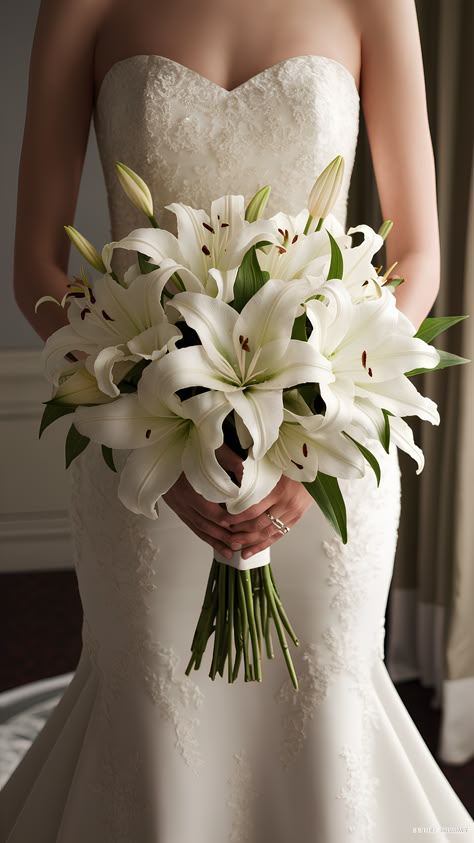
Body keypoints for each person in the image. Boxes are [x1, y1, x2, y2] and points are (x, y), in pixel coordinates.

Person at [1, 0, 473, 840]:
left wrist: (318, 436)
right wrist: (144, 412)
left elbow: (418, 255)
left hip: (327, 439)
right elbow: (36, 261)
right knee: (153, 706)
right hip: (141, 452)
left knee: (323, 707)